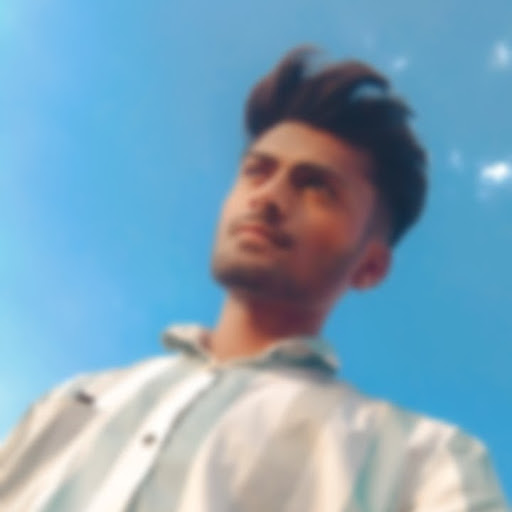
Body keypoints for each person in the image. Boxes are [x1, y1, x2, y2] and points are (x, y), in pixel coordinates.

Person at [0, 46, 507, 512]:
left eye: (316, 187)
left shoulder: (424, 462)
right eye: (257, 171)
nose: (267, 196)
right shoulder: (71, 402)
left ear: (369, 267)